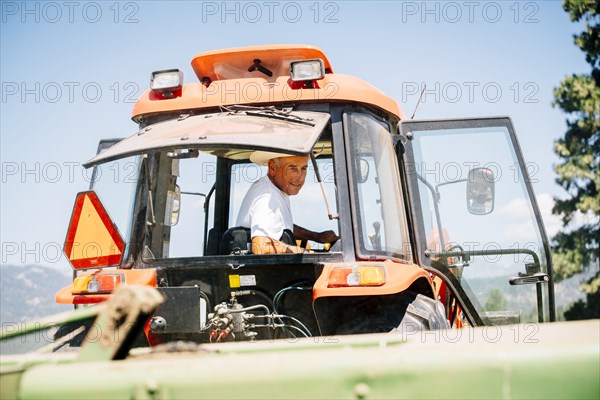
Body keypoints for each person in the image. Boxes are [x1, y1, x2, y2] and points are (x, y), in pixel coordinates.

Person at [236, 152, 339, 254]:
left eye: (304, 168)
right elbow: (261, 247)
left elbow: (279, 227)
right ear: (272, 168)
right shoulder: (268, 196)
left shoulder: (273, 190)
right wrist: (303, 252)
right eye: (292, 168)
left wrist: (316, 236)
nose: (300, 177)